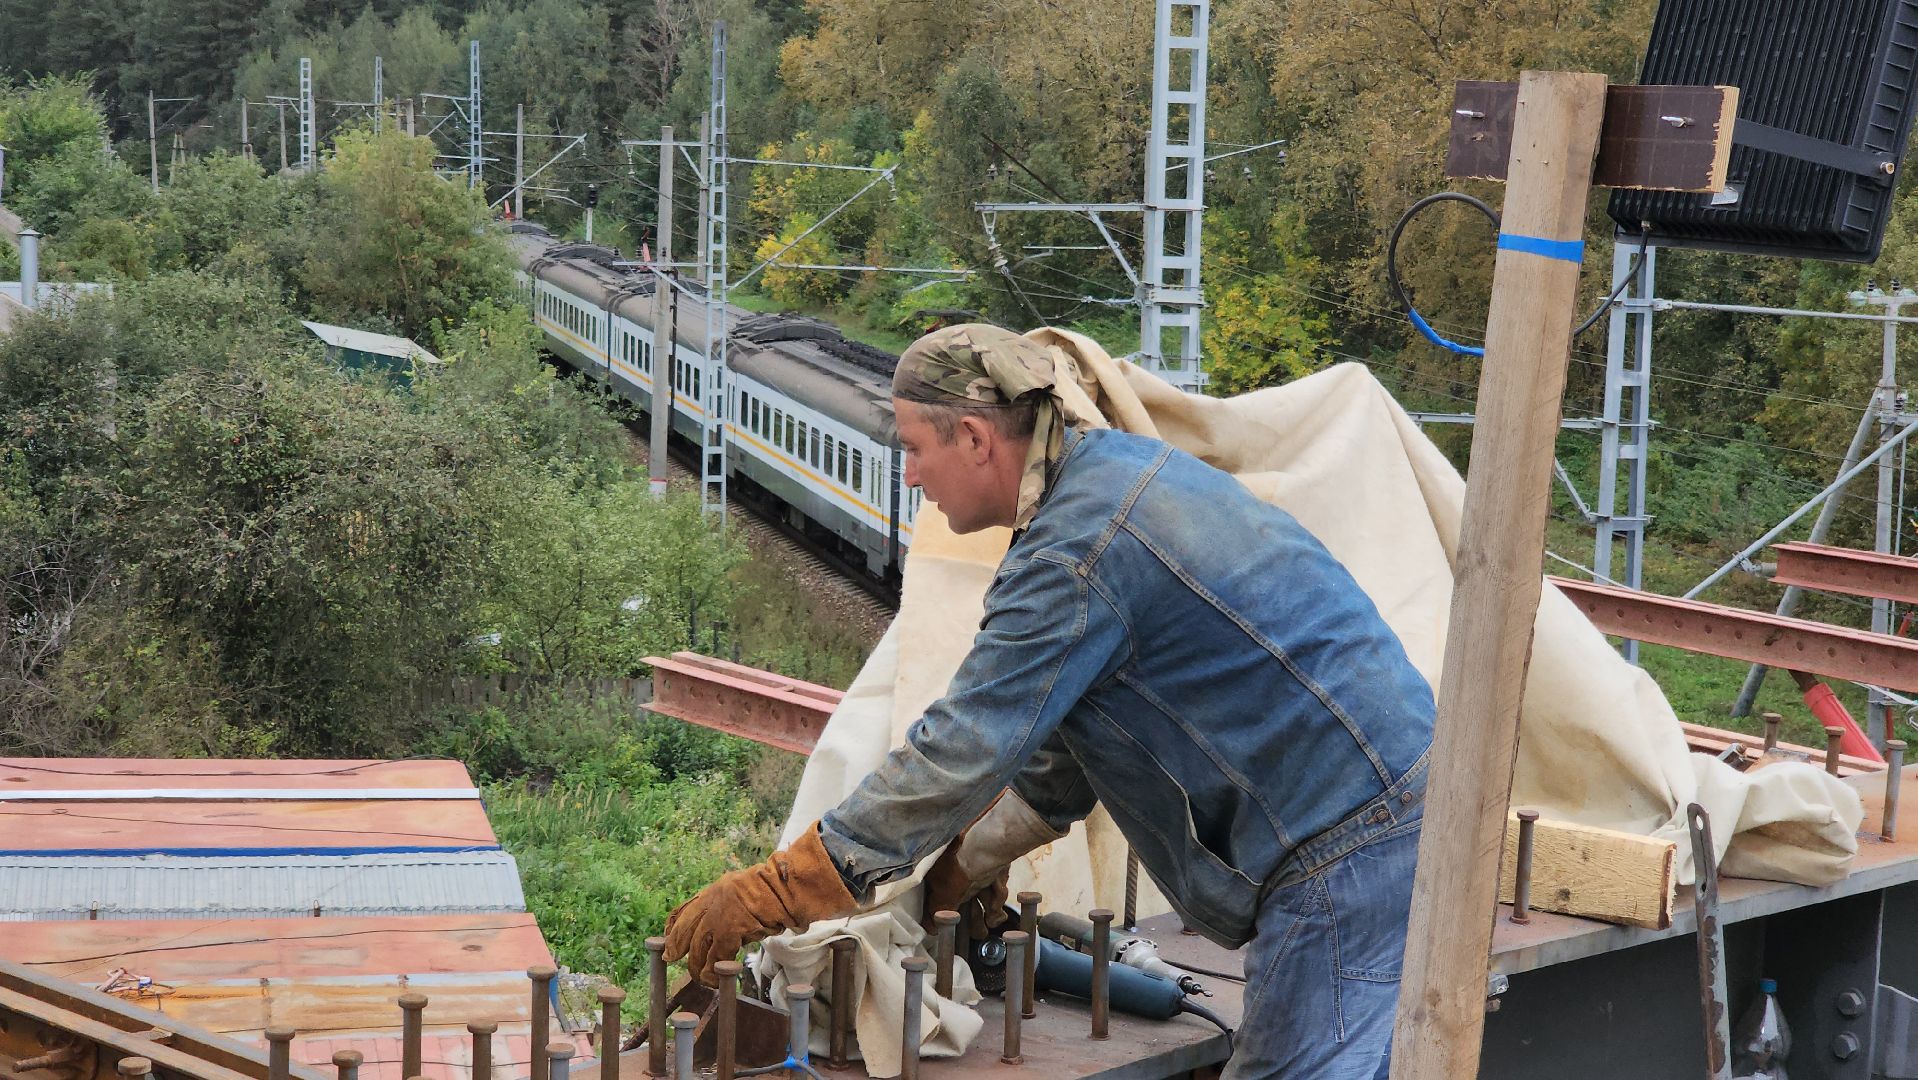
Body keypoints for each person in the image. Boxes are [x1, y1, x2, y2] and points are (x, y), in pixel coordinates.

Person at [665, 324, 1436, 1079]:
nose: (908, 477)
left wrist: (785, 886)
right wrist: (961, 869)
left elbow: (960, 746)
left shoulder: (1074, 554)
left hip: (1350, 843)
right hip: (1379, 809)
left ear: (973, 437)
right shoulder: (1114, 476)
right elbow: (1062, 757)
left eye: (912, 448)